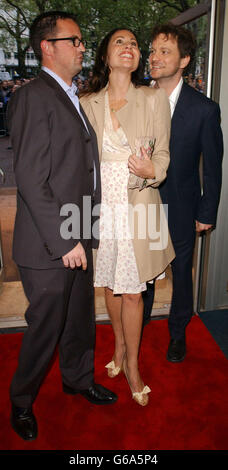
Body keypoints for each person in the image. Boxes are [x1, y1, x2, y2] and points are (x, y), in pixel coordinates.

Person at [7, 11, 117, 442]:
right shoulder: (35, 96)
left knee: (78, 319)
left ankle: (77, 378)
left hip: (78, 233)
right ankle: (20, 402)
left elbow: (78, 170)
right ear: (47, 47)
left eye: (82, 41)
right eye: (74, 40)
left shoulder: (69, 93)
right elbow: (31, 178)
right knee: (46, 327)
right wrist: (66, 238)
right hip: (50, 244)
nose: (83, 47)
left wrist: (88, 230)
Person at [80, 28, 175, 406]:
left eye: (134, 44)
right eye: (120, 41)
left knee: (134, 292)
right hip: (101, 205)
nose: (129, 47)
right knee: (110, 285)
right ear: (105, 54)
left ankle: (132, 365)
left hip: (140, 201)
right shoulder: (88, 102)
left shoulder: (153, 99)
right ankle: (118, 347)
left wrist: (152, 170)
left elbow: (164, 154)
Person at [143, 23, 223, 362]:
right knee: (141, 273)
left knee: (181, 274)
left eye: (165, 52)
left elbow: (214, 166)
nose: (154, 58)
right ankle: (138, 325)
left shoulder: (204, 109)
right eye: (153, 51)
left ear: (185, 60)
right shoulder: (136, 98)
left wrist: (206, 213)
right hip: (141, 203)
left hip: (182, 206)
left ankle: (178, 333)